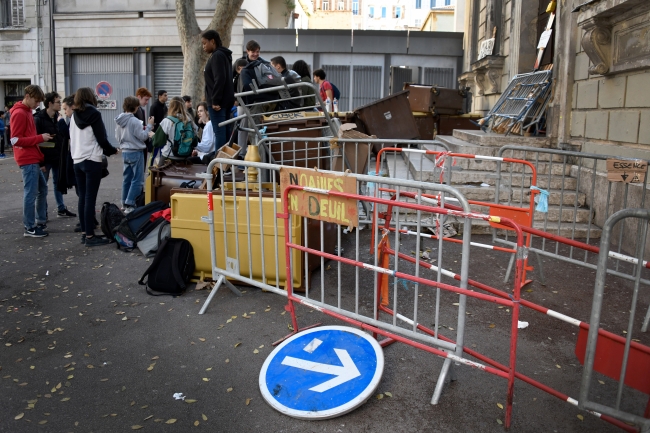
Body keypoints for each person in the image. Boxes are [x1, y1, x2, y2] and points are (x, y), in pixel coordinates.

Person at [70, 87, 118, 247]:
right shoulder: (95, 114)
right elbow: (102, 139)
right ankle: (90, 237)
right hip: (92, 159)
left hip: (77, 159)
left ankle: (85, 233)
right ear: (91, 97)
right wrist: (112, 151)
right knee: (90, 198)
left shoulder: (73, 115)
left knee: (83, 198)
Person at [10, 84, 52, 238]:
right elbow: (15, 140)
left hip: (31, 158)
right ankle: (30, 226)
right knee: (32, 193)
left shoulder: (25, 111)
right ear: (27, 96)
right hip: (27, 159)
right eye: (36, 101)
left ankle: (39, 221)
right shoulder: (20, 113)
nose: (38, 104)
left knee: (41, 190)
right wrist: (40, 138)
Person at [34, 92, 76, 218]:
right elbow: (35, 141)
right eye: (58, 102)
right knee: (42, 188)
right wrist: (40, 162)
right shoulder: (38, 119)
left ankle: (61, 208)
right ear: (50, 103)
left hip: (58, 157)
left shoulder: (58, 117)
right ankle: (42, 214)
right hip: (45, 159)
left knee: (59, 183)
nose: (60, 104)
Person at [115, 96, 154, 213]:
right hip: (136, 151)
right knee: (137, 179)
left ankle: (124, 202)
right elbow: (142, 136)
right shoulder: (135, 121)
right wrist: (149, 126)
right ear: (136, 107)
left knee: (127, 178)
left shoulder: (118, 120)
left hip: (125, 151)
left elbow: (117, 137)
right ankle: (130, 203)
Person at [202, 29, 235, 152]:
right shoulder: (222, 55)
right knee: (224, 132)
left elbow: (220, 78)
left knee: (220, 133)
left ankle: (219, 166)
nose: (203, 46)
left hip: (217, 102)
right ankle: (224, 165)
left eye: (205, 43)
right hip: (225, 100)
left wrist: (215, 100)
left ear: (212, 41)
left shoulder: (217, 56)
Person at [134, 87, 153, 168]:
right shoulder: (133, 112)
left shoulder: (141, 110)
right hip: (136, 147)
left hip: (142, 146)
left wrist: (146, 127)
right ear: (139, 97)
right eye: (146, 99)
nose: (147, 102)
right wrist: (148, 126)